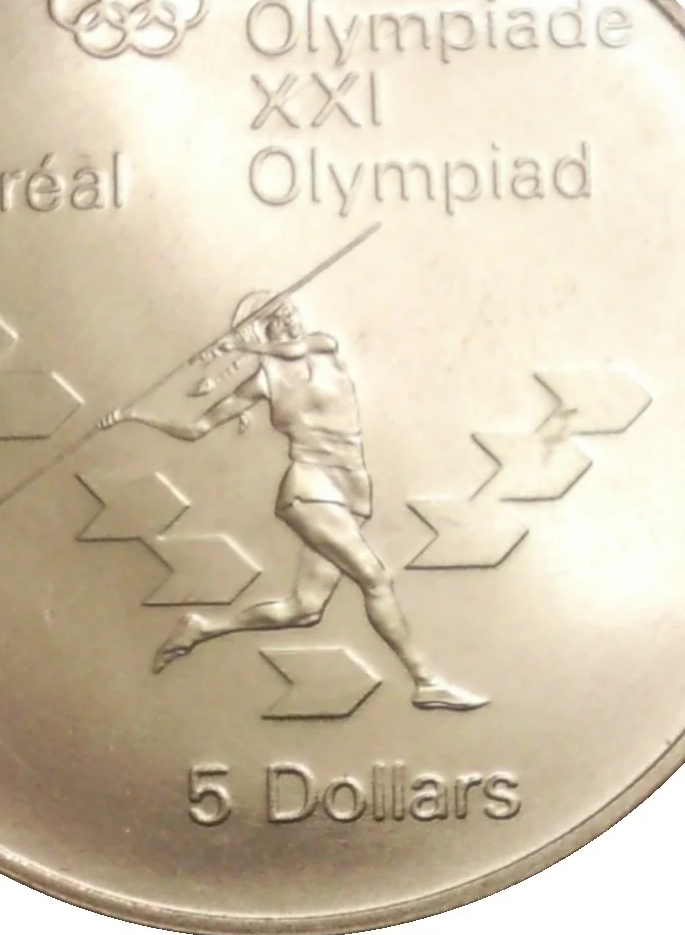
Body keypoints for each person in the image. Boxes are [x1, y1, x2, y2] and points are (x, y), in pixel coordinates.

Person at [98, 292, 487, 711]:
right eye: (276, 318)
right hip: (310, 488)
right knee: (375, 578)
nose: (289, 320)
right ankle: (426, 681)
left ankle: (201, 628)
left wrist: (243, 346)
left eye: (289, 312)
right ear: (261, 327)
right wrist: (134, 415)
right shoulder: (262, 382)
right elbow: (197, 428)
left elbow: (297, 347)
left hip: (351, 489)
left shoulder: (324, 347)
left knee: (305, 609)